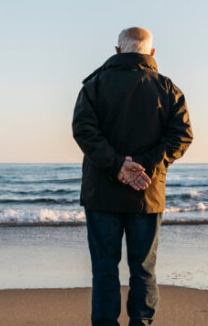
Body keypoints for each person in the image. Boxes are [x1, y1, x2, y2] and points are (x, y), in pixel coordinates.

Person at [72, 27, 193, 326]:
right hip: (147, 194)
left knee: (104, 268)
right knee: (143, 269)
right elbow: (182, 136)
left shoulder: (95, 85)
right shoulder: (168, 88)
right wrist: (144, 165)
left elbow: (83, 131)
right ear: (151, 53)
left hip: (102, 193)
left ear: (117, 51)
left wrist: (119, 166)